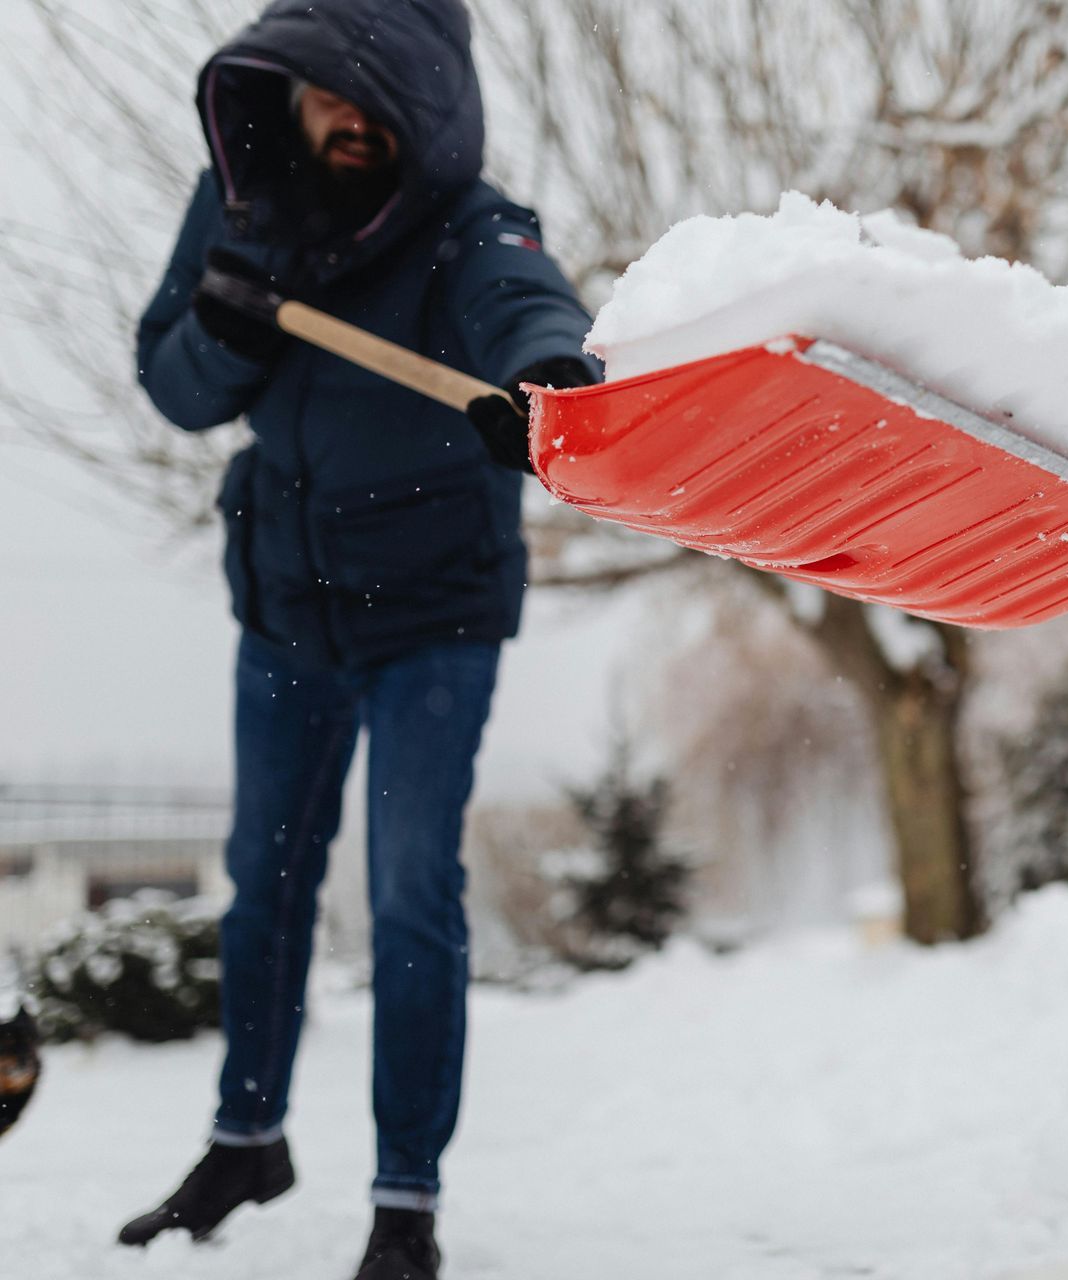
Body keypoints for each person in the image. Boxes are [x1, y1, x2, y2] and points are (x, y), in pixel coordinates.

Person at [118, 2, 597, 1275]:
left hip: (432, 614)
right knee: (263, 882)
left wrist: (548, 381)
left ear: (429, 103)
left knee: (406, 891)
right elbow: (170, 385)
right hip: (286, 602)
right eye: (324, 92)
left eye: (375, 98)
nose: (346, 120)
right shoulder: (241, 207)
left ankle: (405, 1203)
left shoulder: (467, 221)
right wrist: (220, 328)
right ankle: (247, 1136)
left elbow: (528, 303)